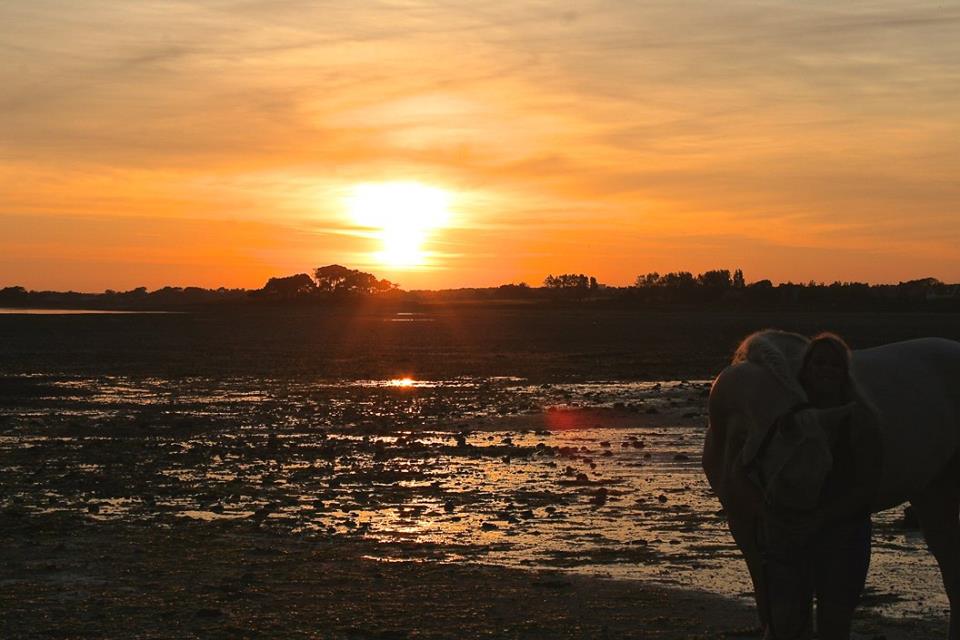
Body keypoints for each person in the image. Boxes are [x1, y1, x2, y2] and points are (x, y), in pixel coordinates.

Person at [760, 333, 882, 640]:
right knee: (787, 624)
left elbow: (866, 488)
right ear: (806, 368)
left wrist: (820, 519)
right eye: (819, 362)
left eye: (834, 364)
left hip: (843, 537)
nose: (826, 369)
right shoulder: (788, 419)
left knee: (834, 625)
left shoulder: (860, 420)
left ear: (844, 372)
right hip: (791, 537)